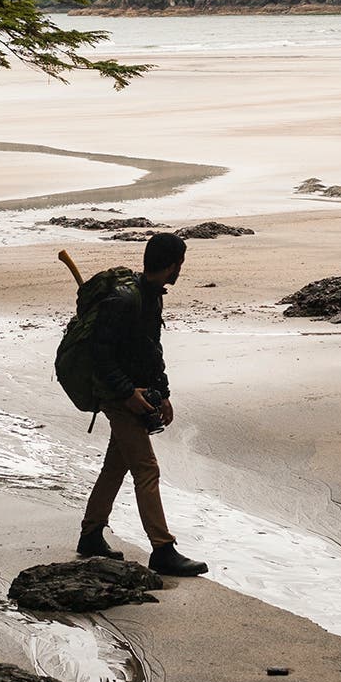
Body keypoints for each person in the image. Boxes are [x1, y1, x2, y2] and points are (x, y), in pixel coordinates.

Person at [77, 232, 209, 576]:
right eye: (180, 263)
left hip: (134, 393)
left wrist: (162, 391)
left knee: (116, 465)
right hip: (119, 398)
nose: (181, 269)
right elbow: (100, 355)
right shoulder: (124, 300)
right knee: (146, 469)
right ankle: (162, 549)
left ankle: (91, 534)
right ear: (171, 265)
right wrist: (126, 394)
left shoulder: (151, 296)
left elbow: (152, 350)